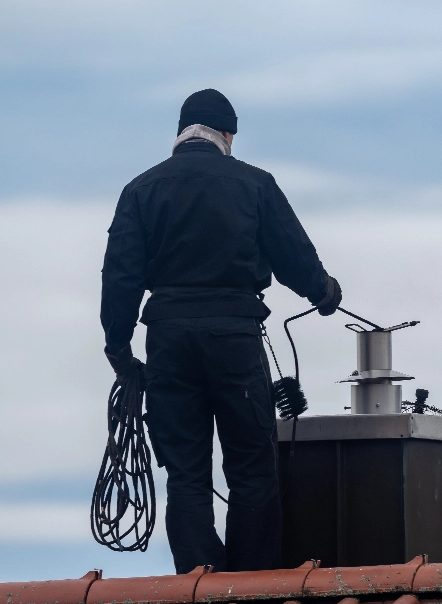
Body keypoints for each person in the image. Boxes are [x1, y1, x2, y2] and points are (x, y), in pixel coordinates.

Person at [100, 89, 341, 574]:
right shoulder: (255, 184)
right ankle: (248, 591)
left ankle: (199, 588)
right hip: (235, 338)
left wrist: (120, 351)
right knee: (252, 469)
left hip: (168, 341)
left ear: (181, 133)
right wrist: (324, 291)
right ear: (227, 134)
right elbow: (292, 252)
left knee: (186, 473)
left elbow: (120, 276)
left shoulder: (140, 190)